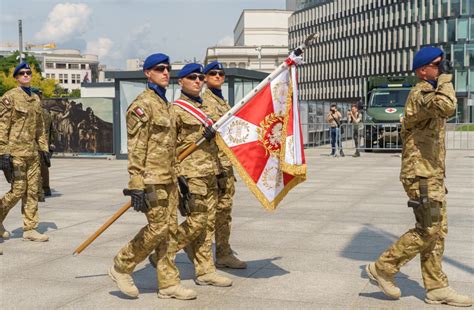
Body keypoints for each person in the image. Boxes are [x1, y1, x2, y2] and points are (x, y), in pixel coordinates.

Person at [366, 47, 473, 306]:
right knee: (428, 229)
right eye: (437, 65)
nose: (442, 68)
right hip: (420, 174)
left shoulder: (430, 90)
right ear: (423, 70)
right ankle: (384, 267)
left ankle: (436, 287)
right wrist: (446, 79)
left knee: (438, 231)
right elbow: (446, 106)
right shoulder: (421, 92)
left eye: (442, 65)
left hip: (432, 173)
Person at [108, 53, 196, 300]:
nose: (166, 73)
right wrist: (136, 183)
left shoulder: (166, 105)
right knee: (157, 228)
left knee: (169, 231)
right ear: (147, 73)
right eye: (159, 69)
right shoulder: (142, 105)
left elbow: (170, 147)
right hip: (150, 179)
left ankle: (168, 284)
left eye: (168, 69)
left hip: (168, 178)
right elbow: (137, 148)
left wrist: (179, 176)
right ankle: (121, 265)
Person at [151, 63, 233, 293]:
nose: (198, 81)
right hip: (191, 173)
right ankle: (166, 252)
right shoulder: (175, 110)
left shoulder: (205, 107)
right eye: (192, 77)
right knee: (198, 222)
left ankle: (205, 271)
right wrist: (177, 175)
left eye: (199, 77)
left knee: (207, 224)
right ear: (181, 82)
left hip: (210, 171)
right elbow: (168, 146)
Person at [202, 61, 246, 269]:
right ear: (205, 77)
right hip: (212, 165)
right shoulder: (205, 101)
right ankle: (191, 256)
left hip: (226, 166)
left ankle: (223, 252)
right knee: (207, 216)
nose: (218, 76)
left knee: (224, 213)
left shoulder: (222, 101)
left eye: (221, 73)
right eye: (213, 73)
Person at [0, 62, 50, 243]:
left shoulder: (36, 98)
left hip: (32, 153)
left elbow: (40, 127)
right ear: (16, 77)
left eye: (28, 73)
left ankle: (30, 228)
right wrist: (3, 152)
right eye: (22, 73)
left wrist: (43, 148)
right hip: (15, 153)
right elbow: (2, 126)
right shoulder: (9, 97)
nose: (26, 75)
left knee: (32, 191)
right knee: (18, 190)